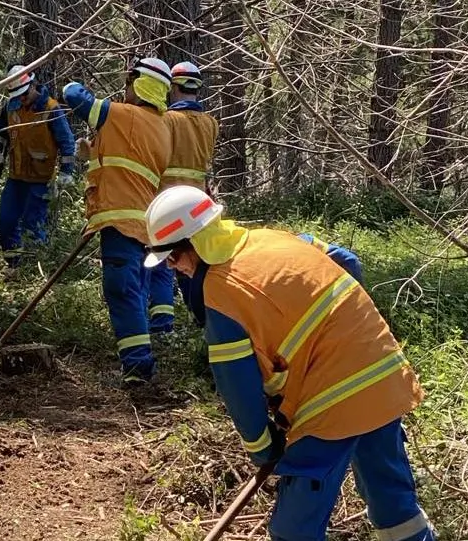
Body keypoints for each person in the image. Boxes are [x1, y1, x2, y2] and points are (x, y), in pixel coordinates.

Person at [143, 186, 433, 541]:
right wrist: (342, 332)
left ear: (194, 245)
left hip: (334, 397)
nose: (178, 270)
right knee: (394, 505)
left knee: (293, 528)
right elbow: (348, 261)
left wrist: (264, 448)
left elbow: (238, 389)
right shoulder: (276, 239)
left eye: (173, 259)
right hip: (383, 370)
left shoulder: (220, 293)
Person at [62, 57, 172, 382]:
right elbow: (128, 160)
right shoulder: (159, 127)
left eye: (128, 83)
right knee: (133, 289)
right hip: (143, 224)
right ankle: (139, 362)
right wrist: (94, 152)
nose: (123, 91)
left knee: (121, 289)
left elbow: (73, 93)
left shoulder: (124, 115)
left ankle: (138, 364)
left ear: (137, 83)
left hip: (122, 223)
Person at [148, 61, 220, 334]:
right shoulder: (210, 123)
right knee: (196, 264)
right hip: (200, 206)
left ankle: (162, 324)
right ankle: (202, 319)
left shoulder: (165, 120)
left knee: (164, 264)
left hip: (167, 203)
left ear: (172, 87)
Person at [0, 65, 75, 277]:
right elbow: (0, 133)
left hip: (41, 179)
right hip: (16, 176)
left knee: (32, 225)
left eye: (24, 94)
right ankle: (14, 265)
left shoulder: (51, 108)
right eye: (17, 95)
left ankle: (35, 271)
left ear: (33, 85)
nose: (22, 99)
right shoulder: (10, 107)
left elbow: (67, 142)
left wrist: (66, 171)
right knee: (5, 221)